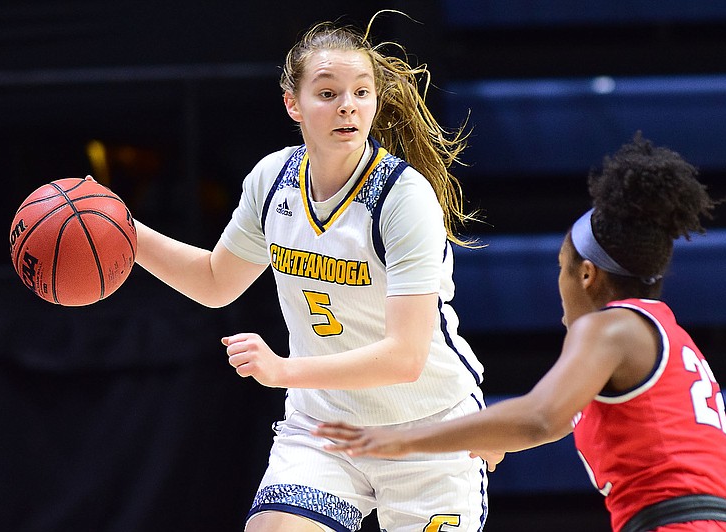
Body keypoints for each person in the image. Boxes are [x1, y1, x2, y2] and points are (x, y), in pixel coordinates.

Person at [132, 11, 489, 532]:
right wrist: (126, 233)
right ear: (292, 104)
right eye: (328, 93)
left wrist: (282, 370)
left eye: (361, 91)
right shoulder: (272, 180)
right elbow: (215, 282)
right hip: (326, 427)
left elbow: (406, 357)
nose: (348, 105)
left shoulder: (402, 197)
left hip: (426, 428)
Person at [316, 133, 726, 532]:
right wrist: (478, 440)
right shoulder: (663, 333)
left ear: (586, 275)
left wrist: (401, 439)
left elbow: (538, 417)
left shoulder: (611, 327)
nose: (560, 282)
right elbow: (543, 425)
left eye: (561, 269)